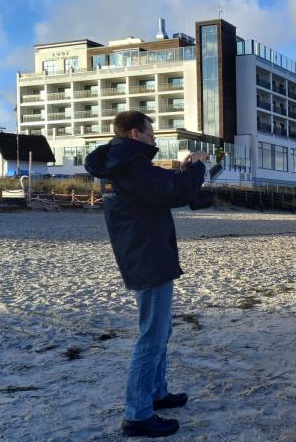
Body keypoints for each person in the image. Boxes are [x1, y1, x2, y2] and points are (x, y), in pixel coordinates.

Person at [85, 111, 210, 438]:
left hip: (143, 252)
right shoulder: (129, 165)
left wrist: (183, 170)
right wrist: (197, 166)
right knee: (152, 336)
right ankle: (137, 414)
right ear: (134, 133)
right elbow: (173, 192)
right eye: (151, 133)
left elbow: (161, 187)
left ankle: (156, 393)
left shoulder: (123, 164)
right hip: (147, 256)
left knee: (161, 330)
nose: (154, 139)